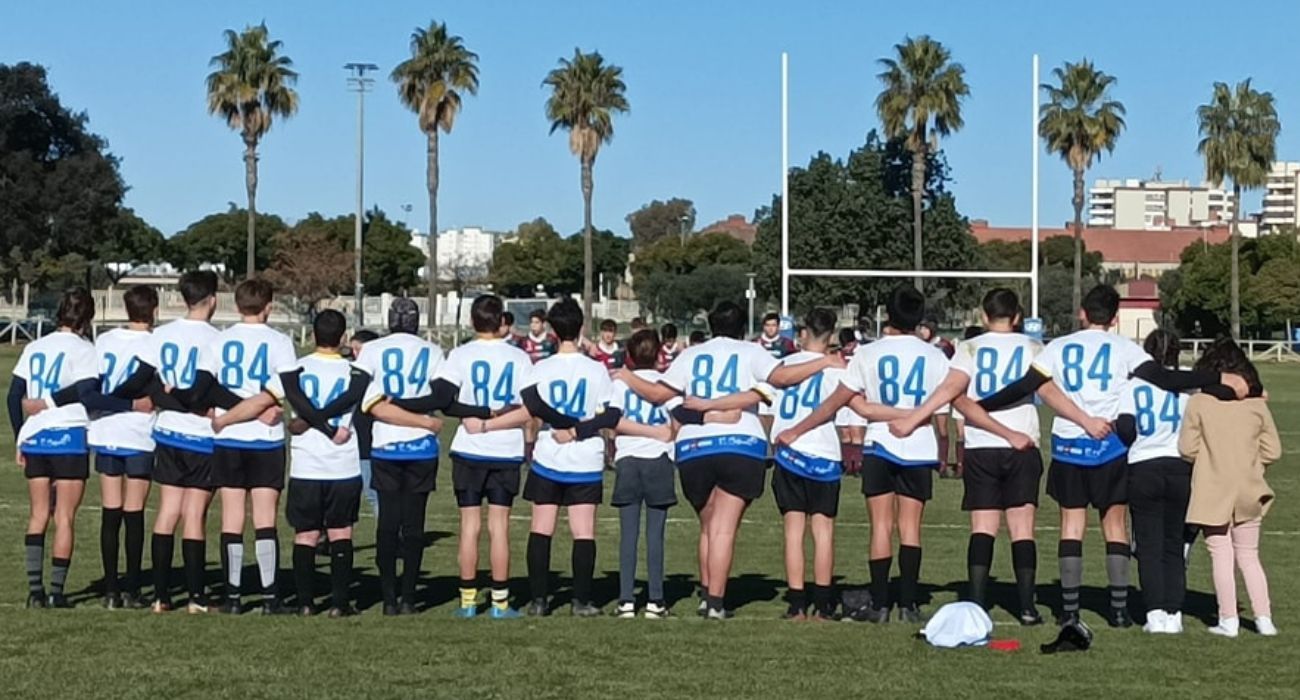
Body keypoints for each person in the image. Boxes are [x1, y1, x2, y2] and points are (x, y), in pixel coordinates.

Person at [976, 284, 1247, 628]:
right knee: (1115, 525)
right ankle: (1119, 610)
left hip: (1070, 443)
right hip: (1111, 445)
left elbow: (1023, 386)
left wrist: (980, 406)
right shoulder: (1125, 348)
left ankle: (1070, 609)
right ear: (1116, 318)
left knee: (1071, 526)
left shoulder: (1058, 346)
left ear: (1082, 314)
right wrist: (1220, 378)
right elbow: (1165, 379)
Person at [620, 301, 839, 620]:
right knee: (723, 527)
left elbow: (656, 394)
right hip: (740, 443)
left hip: (694, 446)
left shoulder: (691, 354)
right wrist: (823, 362)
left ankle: (707, 593)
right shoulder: (751, 352)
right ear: (741, 326)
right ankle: (716, 602)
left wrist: (624, 375)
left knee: (708, 526)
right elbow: (783, 378)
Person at [781, 286, 950, 623]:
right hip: (918, 445)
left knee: (880, 527)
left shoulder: (868, 354)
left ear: (888, 314)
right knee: (911, 528)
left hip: (880, 443)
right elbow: (943, 410)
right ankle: (908, 603)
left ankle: (880, 601)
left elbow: (842, 400)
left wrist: (798, 429)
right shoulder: (936, 356)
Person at [217, 310, 370, 618]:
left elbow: (264, 399)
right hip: (343, 463)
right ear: (342, 338)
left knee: (306, 535)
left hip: (306, 464)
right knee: (341, 532)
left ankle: (305, 602)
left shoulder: (295, 369)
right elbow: (371, 403)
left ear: (313, 335)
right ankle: (339, 603)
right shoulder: (355, 372)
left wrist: (225, 419)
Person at [923, 289, 1046, 624]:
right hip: (1022, 442)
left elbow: (955, 392)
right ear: (1018, 316)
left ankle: (976, 602)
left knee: (982, 526)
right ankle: (1026, 607)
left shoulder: (969, 347)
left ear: (983, 315)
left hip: (980, 444)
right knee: (1022, 528)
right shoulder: (1034, 347)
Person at [504, 299, 617, 617]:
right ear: (581, 328)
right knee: (584, 530)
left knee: (541, 528)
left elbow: (530, 403)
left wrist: (563, 424)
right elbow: (612, 413)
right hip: (585, 458)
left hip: (548, 454)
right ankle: (581, 600)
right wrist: (579, 429)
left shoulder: (541, 368)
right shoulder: (597, 369)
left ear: (552, 331)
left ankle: (539, 600)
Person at [204, 279, 298, 615]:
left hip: (229, 438)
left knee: (231, 517)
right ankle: (270, 596)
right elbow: (288, 389)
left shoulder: (221, 339)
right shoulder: (280, 342)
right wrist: (257, 411)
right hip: (265, 439)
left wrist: (234, 412)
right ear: (269, 305)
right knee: (265, 517)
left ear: (236, 305)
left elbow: (205, 387)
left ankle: (233, 597)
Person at [437, 295, 532, 620]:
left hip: (469, 447)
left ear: (473, 321)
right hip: (505, 449)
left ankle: (467, 602)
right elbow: (530, 408)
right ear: (502, 321)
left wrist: (477, 416)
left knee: (469, 525)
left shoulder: (460, 354)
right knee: (500, 527)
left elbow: (445, 402)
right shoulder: (519, 358)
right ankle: (500, 603)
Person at [1180, 339, 1280, 638]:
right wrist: (1252, 465)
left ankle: (1228, 619)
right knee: (1249, 554)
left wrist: (1209, 460)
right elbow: (1272, 450)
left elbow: (1187, 448)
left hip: (1213, 486)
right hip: (1249, 486)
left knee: (1220, 553)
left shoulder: (1199, 403)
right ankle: (1264, 619)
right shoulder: (1256, 405)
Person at [354, 298, 446, 615]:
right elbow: (442, 396)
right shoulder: (432, 351)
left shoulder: (373, 350)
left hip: (386, 445)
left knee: (388, 523)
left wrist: (397, 406)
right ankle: (409, 597)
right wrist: (420, 416)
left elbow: (370, 403)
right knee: (414, 523)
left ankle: (389, 597)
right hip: (421, 445)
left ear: (390, 320)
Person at [8, 288, 99, 609]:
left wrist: (22, 436)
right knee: (64, 517)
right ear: (87, 317)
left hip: (36, 439)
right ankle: (56, 592)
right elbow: (88, 389)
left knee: (37, 515)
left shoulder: (35, 346)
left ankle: (34, 592)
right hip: (68, 435)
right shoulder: (84, 348)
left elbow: (13, 396)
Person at [139, 270, 222, 613]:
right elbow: (211, 389)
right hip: (201, 435)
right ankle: (196, 597)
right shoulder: (217, 338)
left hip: (168, 432)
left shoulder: (162, 334)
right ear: (213, 300)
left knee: (167, 512)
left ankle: (160, 596)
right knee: (194, 515)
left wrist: (168, 399)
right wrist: (195, 406)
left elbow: (145, 383)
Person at [1112, 330, 1196, 634]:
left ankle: (1155, 612)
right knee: (1175, 542)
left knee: (1148, 544)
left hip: (1144, 465)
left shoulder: (1134, 385)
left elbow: (1125, 427)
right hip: (1181, 466)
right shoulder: (1190, 382)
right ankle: (1174, 613)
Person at [767, 309, 848, 621]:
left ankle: (797, 602)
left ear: (803, 333)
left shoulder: (784, 365)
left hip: (790, 453)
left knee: (793, 530)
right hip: (824, 453)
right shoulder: (837, 369)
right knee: (824, 530)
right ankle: (824, 603)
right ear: (830, 337)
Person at [86, 285, 159, 608]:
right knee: (134, 512)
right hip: (139, 432)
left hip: (105, 430)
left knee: (110, 511)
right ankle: (131, 587)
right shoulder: (157, 342)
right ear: (154, 309)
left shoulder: (105, 340)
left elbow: (96, 384)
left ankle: (112, 590)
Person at [608, 329, 678, 619]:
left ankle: (626, 600)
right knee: (655, 534)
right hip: (658, 459)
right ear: (660, 353)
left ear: (630, 355)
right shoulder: (666, 384)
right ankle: (655, 600)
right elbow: (678, 420)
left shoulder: (621, 383)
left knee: (628, 534)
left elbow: (613, 423)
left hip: (628, 459)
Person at [348, 330, 380, 515]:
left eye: (358, 349)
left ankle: (390, 538)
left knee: (373, 494)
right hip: (349, 445)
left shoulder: (377, 377)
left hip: (369, 446)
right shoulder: (349, 373)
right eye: (353, 349)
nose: (354, 354)